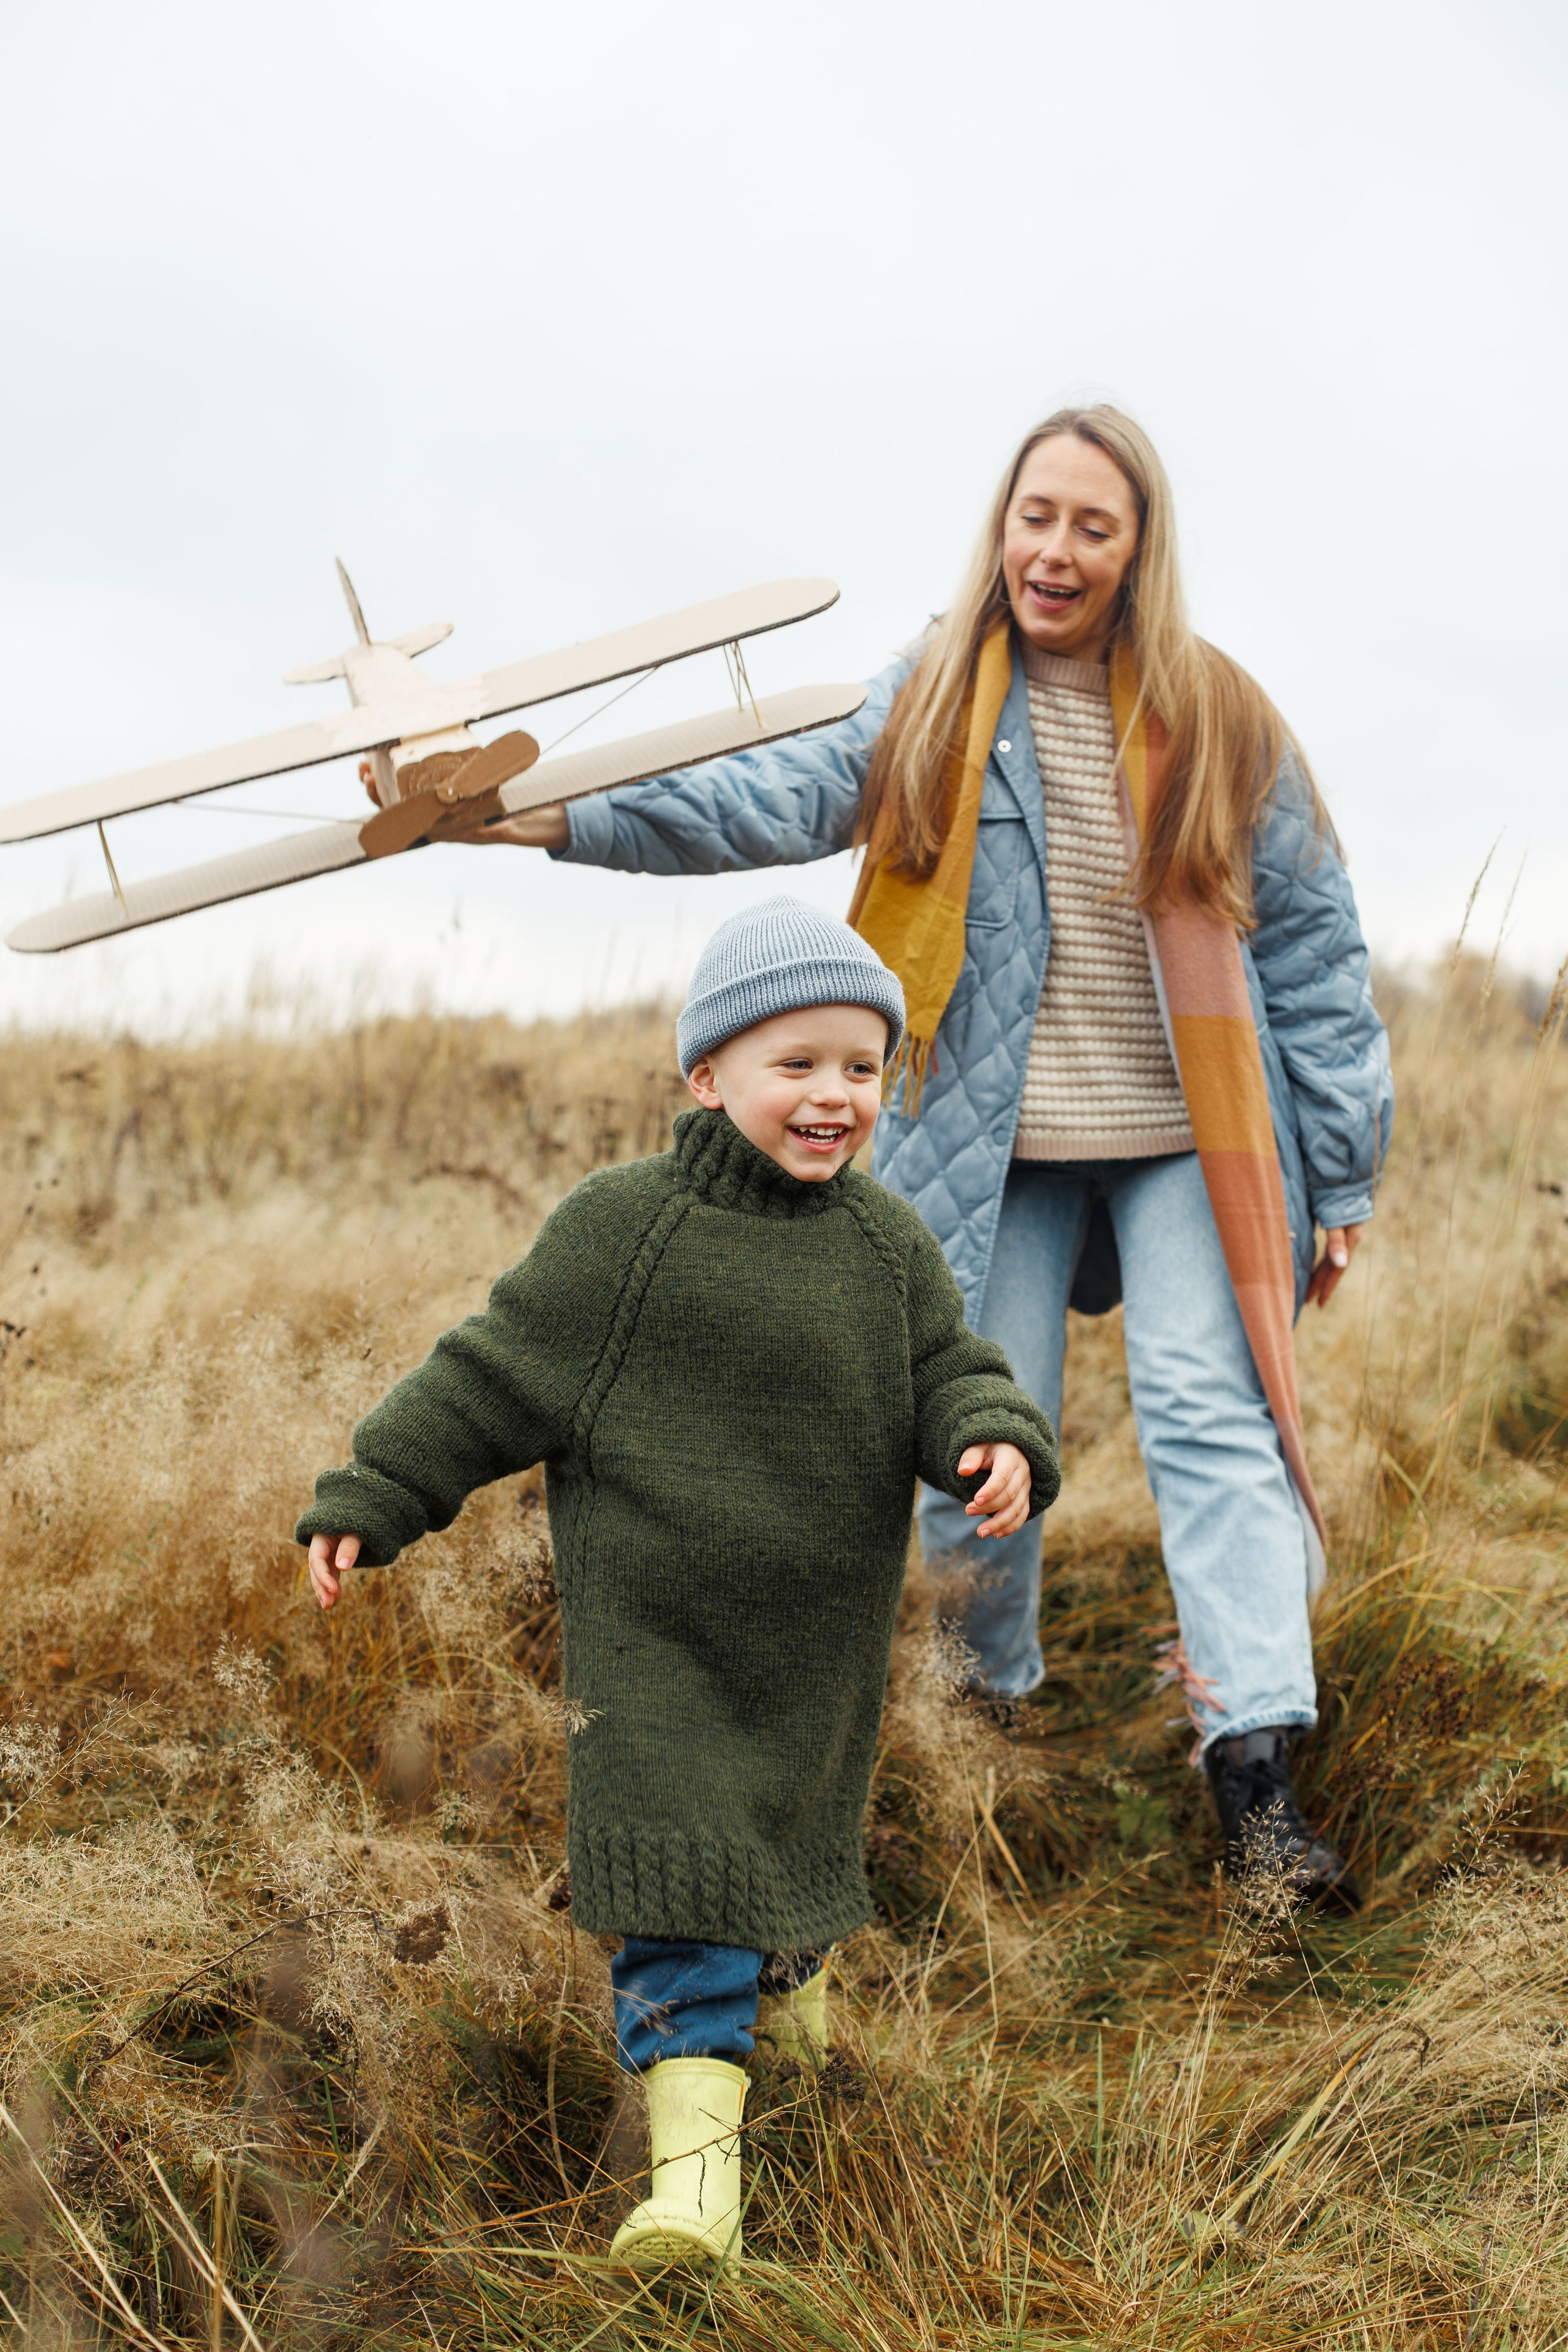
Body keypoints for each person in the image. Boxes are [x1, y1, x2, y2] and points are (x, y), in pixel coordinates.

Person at [481, 405, 1393, 1907]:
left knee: (1206, 1418)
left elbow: (1311, 946)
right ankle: (978, 1732)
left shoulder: (1220, 716)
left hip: (1192, 1139)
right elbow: (769, 793)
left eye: (1091, 526)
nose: (1054, 549)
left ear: (1136, 550)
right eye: (1034, 515)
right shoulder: (933, 694)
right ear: (1001, 525)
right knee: (974, 1439)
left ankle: (1255, 1785)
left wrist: (1342, 1171)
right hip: (991, 1140)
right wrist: (548, 816)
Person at [296, 899, 1059, 2272]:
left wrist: (989, 1438)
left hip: (814, 1644)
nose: (834, 1095)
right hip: (655, 1643)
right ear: (706, 1076)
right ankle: (695, 2189)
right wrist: (374, 1493)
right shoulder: (622, 1232)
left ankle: (805, 2045)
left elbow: (949, 1366)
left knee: (793, 1859)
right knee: (684, 1897)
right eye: (797, 1064)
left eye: (861, 1068)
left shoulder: (885, 1249)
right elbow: (489, 1374)